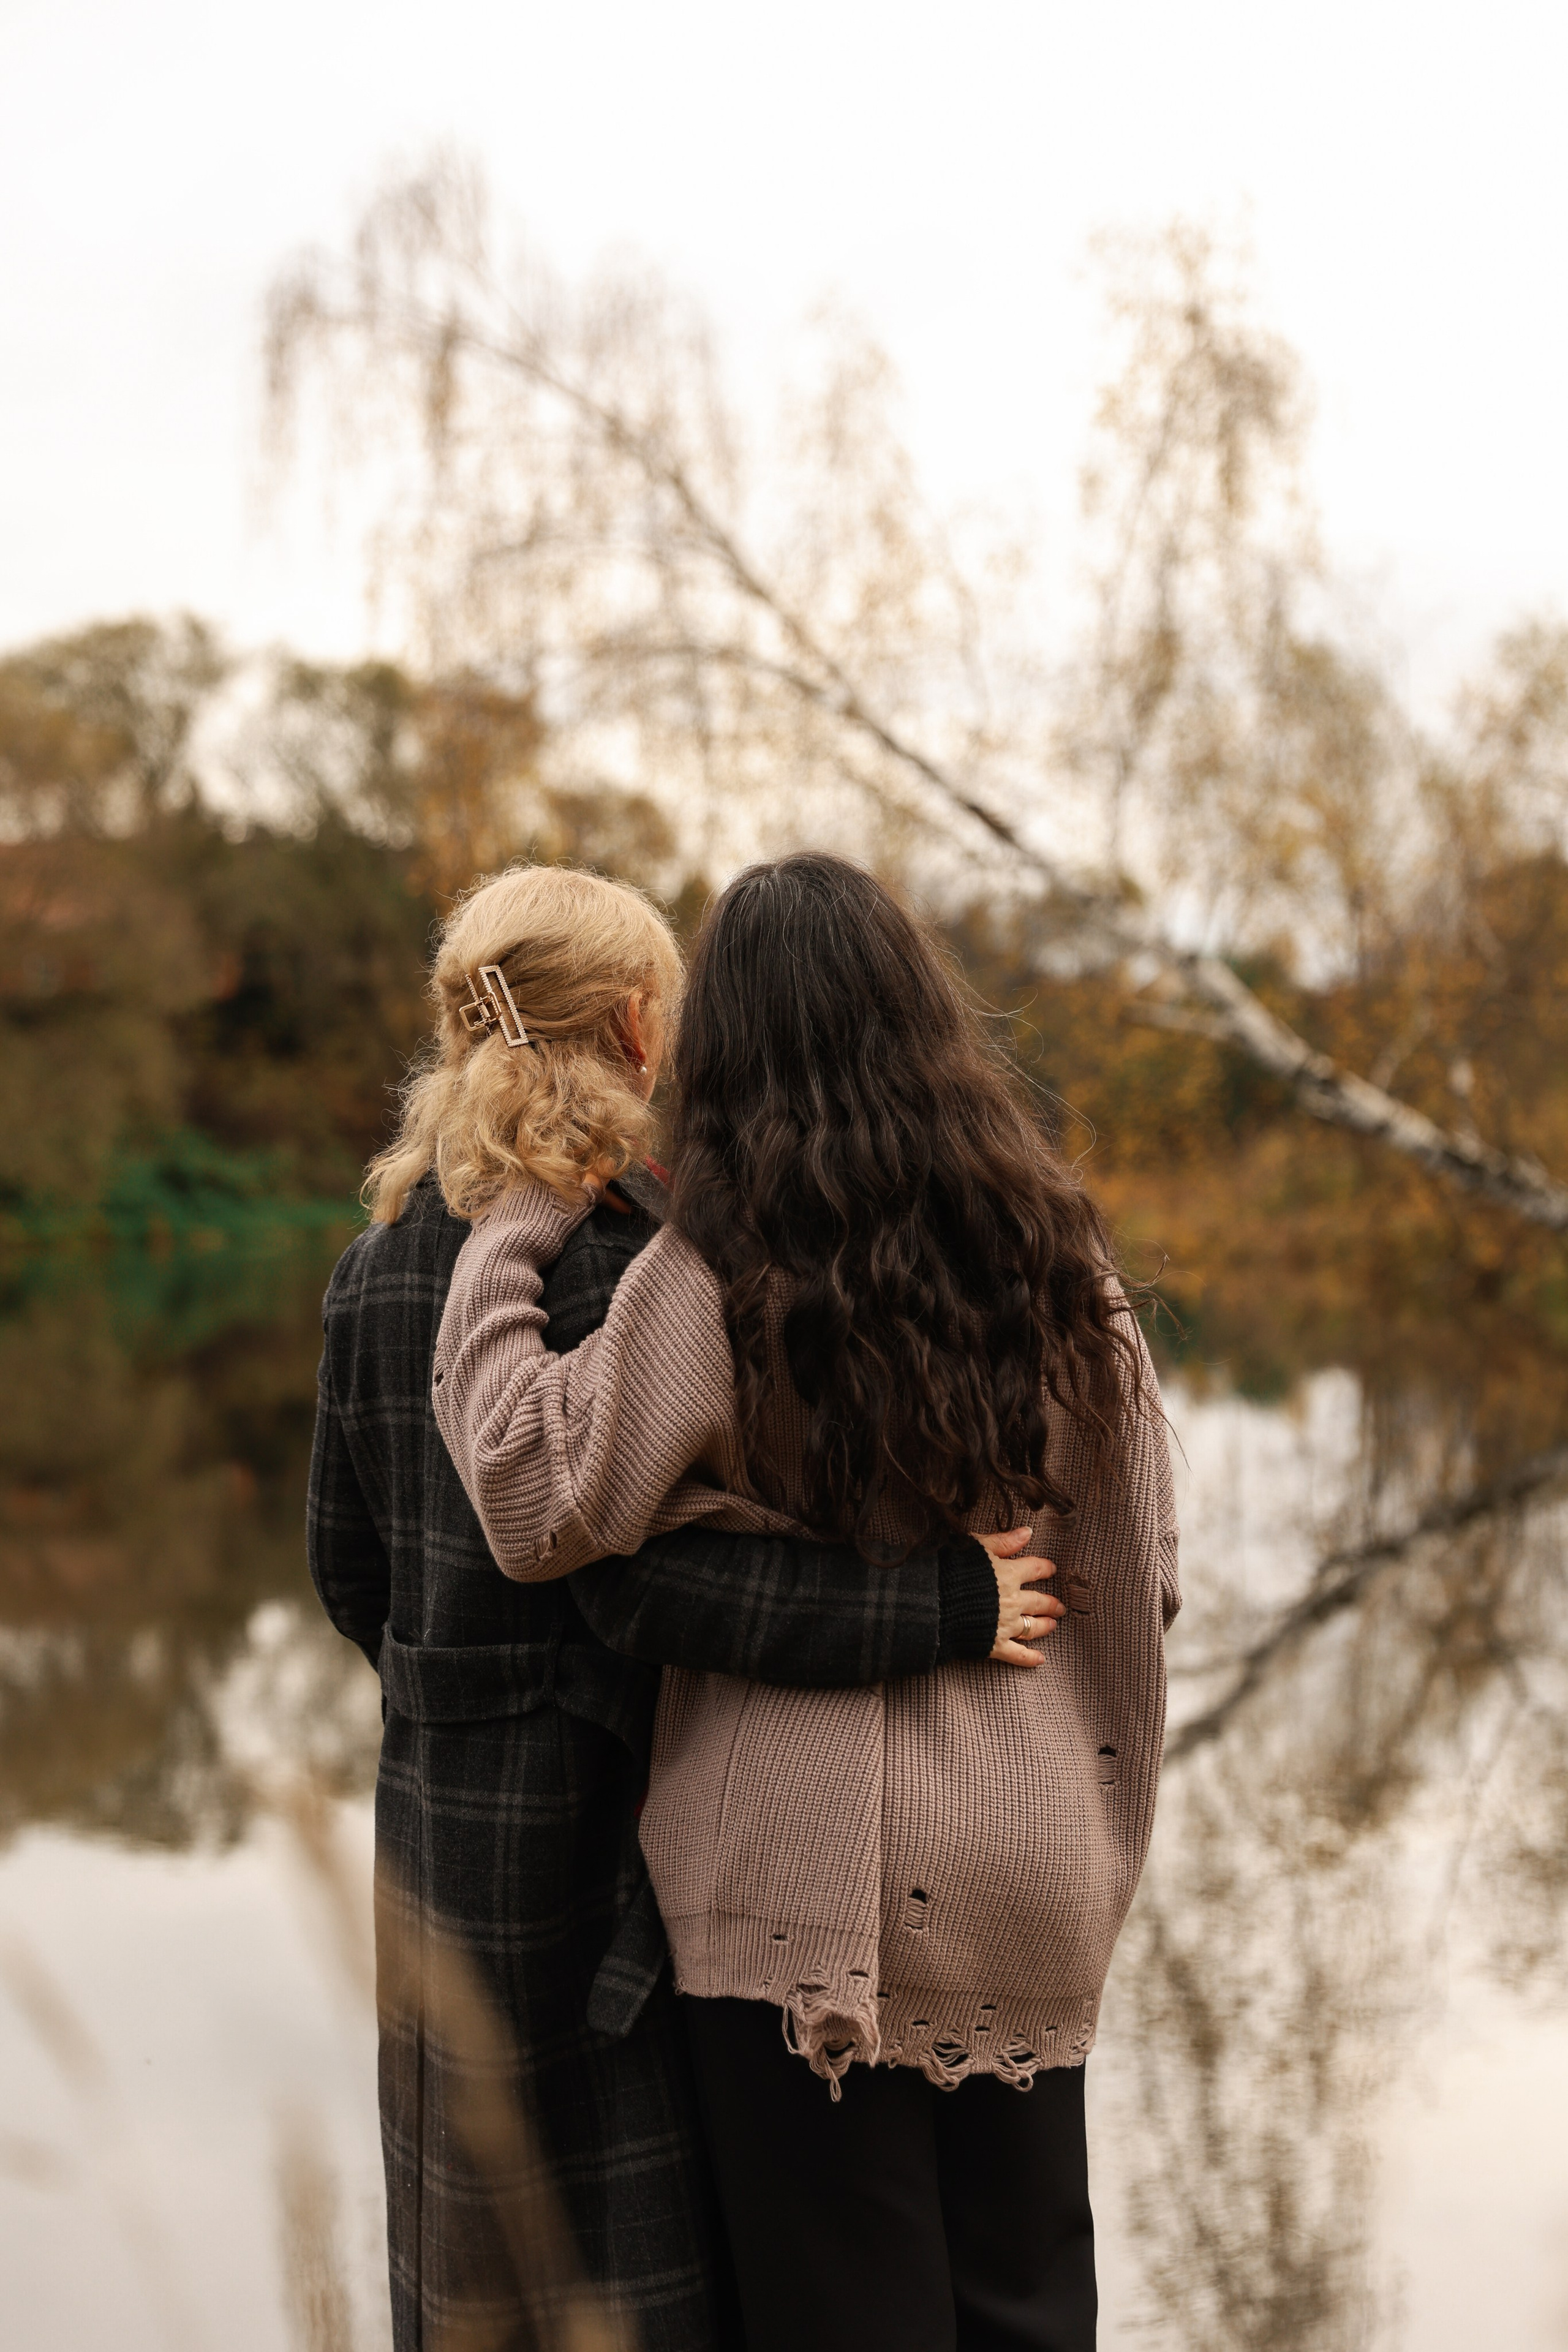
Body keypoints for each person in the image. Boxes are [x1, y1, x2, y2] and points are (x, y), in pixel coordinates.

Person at [433, 851, 1181, 2352]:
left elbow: (532, 1495)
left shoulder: (708, 1269)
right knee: (1028, 2305)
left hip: (788, 1885)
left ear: (716, 1054)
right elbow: (1147, 1572)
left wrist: (513, 1219)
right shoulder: (1061, 1257)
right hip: (1028, 1854)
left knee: (846, 2309)